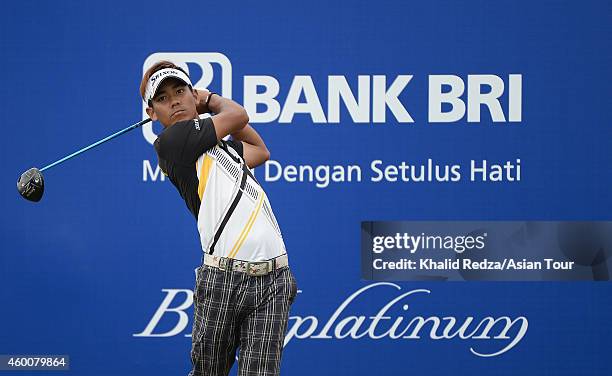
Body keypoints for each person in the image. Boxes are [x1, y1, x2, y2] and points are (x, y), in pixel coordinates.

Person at [140, 61, 297, 376]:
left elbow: (260, 150)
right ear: (152, 114)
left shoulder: (222, 148)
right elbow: (238, 115)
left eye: (180, 91)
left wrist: (207, 107)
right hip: (223, 279)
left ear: (190, 94)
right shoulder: (171, 144)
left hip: (274, 279)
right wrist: (210, 99)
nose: (174, 101)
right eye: (162, 98)